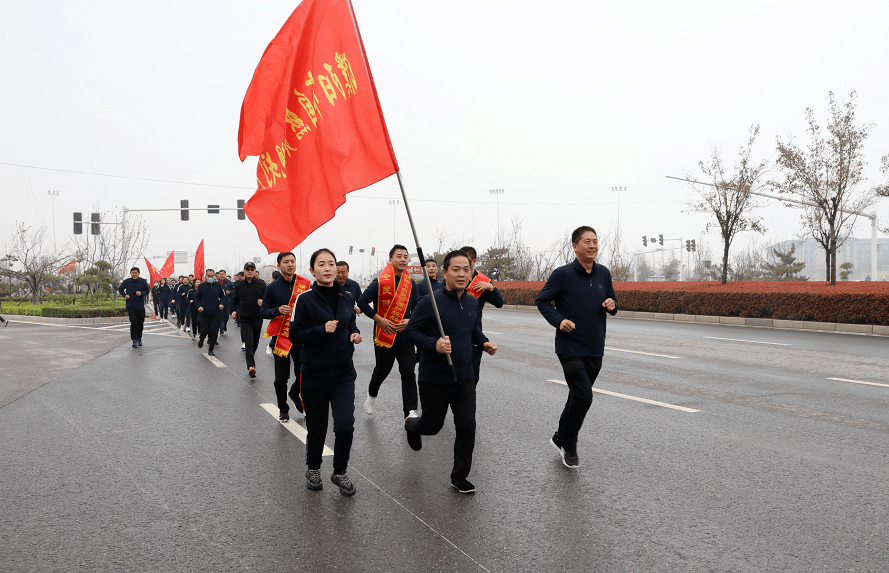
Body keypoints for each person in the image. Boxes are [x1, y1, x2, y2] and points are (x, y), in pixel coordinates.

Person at [404, 250, 497, 494]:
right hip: (434, 378)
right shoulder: (430, 303)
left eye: (466, 269)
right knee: (432, 426)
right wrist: (434, 344)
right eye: (456, 269)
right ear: (445, 272)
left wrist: (485, 343)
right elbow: (411, 331)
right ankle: (412, 425)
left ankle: (459, 476)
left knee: (467, 426)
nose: (462, 274)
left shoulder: (472, 302)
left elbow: (473, 331)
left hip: (465, 378)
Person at [534, 226, 616, 469]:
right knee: (584, 395)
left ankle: (560, 436)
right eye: (587, 242)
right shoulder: (563, 274)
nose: (592, 246)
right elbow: (542, 300)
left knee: (577, 396)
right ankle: (569, 442)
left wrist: (612, 304)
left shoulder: (603, 273)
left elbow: (611, 300)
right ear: (575, 246)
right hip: (569, 347)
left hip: (595, 346)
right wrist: (559, 321)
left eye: (595, 241)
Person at [291, 248, 362, 496]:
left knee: (345, 426)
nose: (328, 268)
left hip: (343, 374)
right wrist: (321, 329)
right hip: (314, 374)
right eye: (321, 264)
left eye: (331, 263)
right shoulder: (305, 299)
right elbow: (295, 335)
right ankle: (313, 468)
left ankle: (339, 471)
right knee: (317, 427)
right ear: (312, 270)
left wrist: (353, 332)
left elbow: (350, 322)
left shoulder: (347, 297)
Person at [356, 244, 419, 418]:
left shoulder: (411, 283)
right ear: (391, 260)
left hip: (405, 336)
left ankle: (410, 410)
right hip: (385, 335)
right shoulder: (380, 282)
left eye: (406, 257)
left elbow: (418, 307)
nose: (403, 259)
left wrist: (410, 320)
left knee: (408, 371)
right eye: (399, 256)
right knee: (382, 370)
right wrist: (379, 320)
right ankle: (371, 396)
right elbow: (361, 302)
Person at [260, 252, 311, 422]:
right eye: (286, 262)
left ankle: (295, 393)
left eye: (292, 261)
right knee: (281, 378)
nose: (290, 264)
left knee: (303, 374)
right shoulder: (272, 288)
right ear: (279, 266)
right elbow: (263, 311)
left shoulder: (305, 285)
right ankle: (283, 408)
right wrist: (277, 311)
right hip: (281, 339)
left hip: (300, 339)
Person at [460, 246, 504, 386]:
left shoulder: (482, 281)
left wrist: (491, 288)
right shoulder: (455, 279)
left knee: (473, 377)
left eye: (466, 262)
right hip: (453, 333)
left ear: (474, 261)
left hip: (474, 334)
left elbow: (499, 303)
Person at [232, 262, 266, 378]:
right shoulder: (239, 285)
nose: (250, 271)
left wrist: (264, 303)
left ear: (255, 271)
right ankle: (251, 366)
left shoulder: (261, 285)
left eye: (252, 269)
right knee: (249, 342)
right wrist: (233, 311)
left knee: (255, 342)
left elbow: (268, 299)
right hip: (245, 318)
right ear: (245, 271)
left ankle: (251, 357)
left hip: (258, 317)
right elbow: (235, 300)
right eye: (248, 269)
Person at [195, 268, 225, 356]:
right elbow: (196, 297)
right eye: (208, 276)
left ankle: (211, 349)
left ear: (215, 276)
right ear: (206, 276)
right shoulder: (201, 286)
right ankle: (201, 340)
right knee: (204, 330)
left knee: (214, 330)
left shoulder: (218, 285)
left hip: (216, 311)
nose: (210, 277)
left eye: (212, 276)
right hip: (205, 312)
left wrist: (221, 304)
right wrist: (199, 306)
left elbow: (223, 296)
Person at [118, 267, 150, 347]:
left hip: (140, 306)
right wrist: (124, 295)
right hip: (130, 305)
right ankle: (134, 340)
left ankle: (139, 339)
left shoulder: (142, 281)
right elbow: (120, 289)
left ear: (138, 273)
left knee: (140, 323)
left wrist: (141, 293)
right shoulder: (127, 281)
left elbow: (147, 290)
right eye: (133, 273)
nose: (134, 274)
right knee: (133, 322)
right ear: (131, 273)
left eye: (135, 273)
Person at [217, 270, 234, 337]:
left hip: (227, 301)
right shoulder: (216, 283)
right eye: (220, 274)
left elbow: (233, 289)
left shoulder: (229, 282)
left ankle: (224, 326)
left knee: (226, 316)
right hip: (219, 302)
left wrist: (229, 291)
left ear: (225, 275)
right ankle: (221, 330)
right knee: (221, 316)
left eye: (222, 274)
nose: (221, 275)